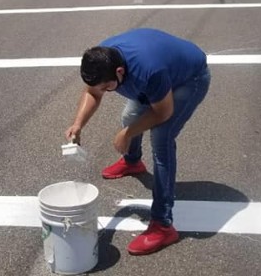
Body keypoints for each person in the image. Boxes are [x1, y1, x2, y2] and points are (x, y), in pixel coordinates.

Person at [65, 28, 211, 256]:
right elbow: (92, 92)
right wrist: (78, 124)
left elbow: (163, 112)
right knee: (129, 117)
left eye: (107, 87)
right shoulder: (102, 59)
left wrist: (127, 133)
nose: (104, 91)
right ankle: (133, 162)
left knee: (161, 139)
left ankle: (163, 225)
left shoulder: (148, 72)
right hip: (158, 73)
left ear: (120, 72)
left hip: (189, 79)